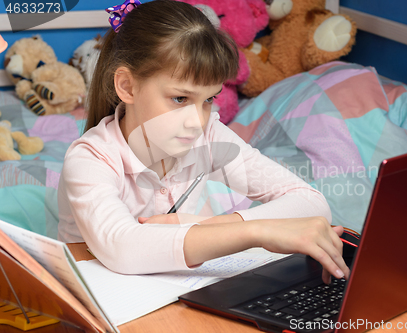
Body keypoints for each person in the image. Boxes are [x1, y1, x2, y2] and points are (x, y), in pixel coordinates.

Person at [57, 0, 349, 284]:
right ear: (127, 86)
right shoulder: (91, 158)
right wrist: (258, 231)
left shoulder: (207, 134)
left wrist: (215, 225)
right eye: (180, 98)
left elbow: (313, 203)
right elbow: (122, 246)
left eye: (208, 99)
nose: (197, 120)